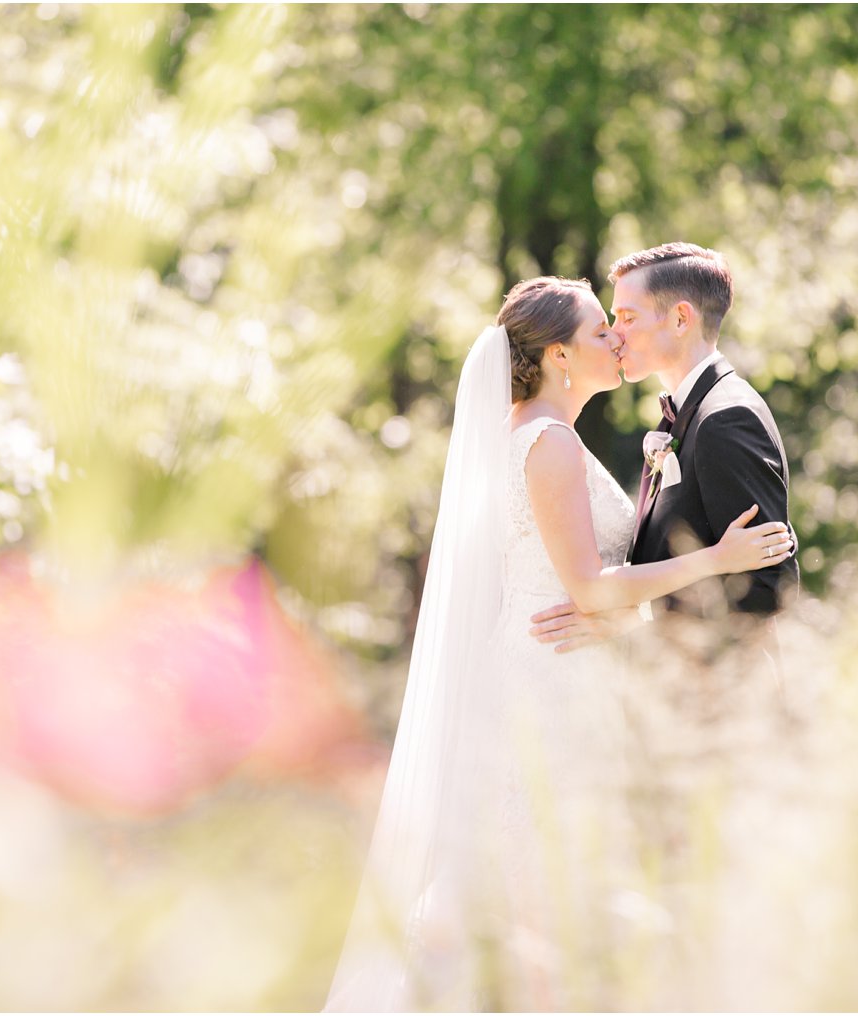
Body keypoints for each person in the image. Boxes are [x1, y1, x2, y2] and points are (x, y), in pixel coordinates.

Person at [324, 275, 793, 1011]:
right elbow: (589, 587)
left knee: (542, 896)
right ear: (558, 357)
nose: (616, 337)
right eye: (601, 328)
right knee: (536, 897)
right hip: (548, 687)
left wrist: (625, 614)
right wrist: (716, 561)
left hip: (559, 670)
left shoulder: (543, 437)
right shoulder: (548, 445)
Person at [529, 243, 798, 656]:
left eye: (628, 317)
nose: (615, 333)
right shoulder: (684, 416)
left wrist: (631, 629)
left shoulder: (726, 418)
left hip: (723, 701)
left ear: (679, 319)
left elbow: (768, 587)